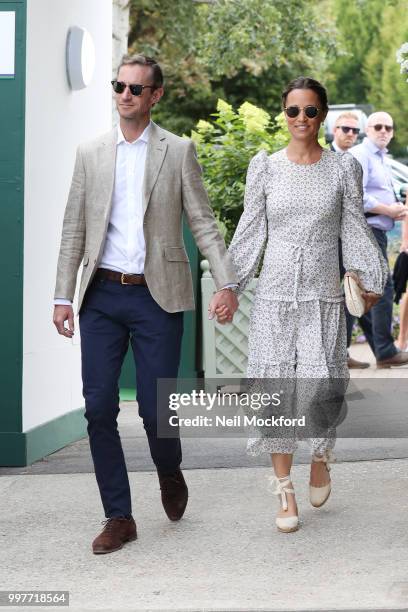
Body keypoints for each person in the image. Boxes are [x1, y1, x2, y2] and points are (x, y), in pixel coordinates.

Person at [53, 54, 238, 554]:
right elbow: (74, 226)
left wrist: (227, 282)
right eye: (120, 86)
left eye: (137, 88)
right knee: (98, 408)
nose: (125, 95)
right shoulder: (90, 152)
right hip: (102, 295)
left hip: (159, 295)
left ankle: (169, 468)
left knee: (158, 412)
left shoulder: (177, 151)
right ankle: (119, 516)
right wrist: (62, 295)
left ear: (155, 95)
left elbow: (202, 221)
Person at [228, 76, 387, 533]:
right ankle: (284, 488)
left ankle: (320, 454)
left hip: (323, 297)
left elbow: (354, 230)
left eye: (311, 111)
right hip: (275, 298)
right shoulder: (265, 167)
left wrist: (370, 278)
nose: (302, 119)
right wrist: (230, 286)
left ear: (323, 115)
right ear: (284, 114)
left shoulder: (342, 170)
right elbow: (250, 232)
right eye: (294, 111)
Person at [350, 112, 408, 367]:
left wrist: (396, 210)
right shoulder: (362, 155)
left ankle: (341, 352)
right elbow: (355, 195)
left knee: (360, 294)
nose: (384, 131)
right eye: (378, 127)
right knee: (382, 289)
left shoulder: (381, 158)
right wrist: (387, 210)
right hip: (365, 231)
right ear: (367, 130)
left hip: (376, 232)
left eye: (388, 127)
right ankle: (385, 351)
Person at [330, 112, 370, 368]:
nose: (351, 135)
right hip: (328, 242)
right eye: (346, 129)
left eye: (356, 131)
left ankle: (341, 354)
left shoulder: (353, 161)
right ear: (334, 130)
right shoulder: (325, 159)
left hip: (350, 240)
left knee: (352, 295)